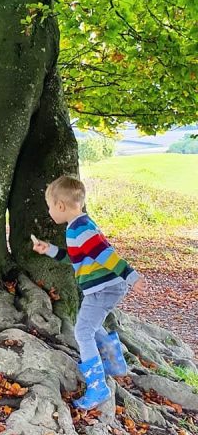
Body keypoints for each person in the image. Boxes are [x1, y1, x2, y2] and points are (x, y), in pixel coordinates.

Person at [31, 175, 146, 411]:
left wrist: (131, 275)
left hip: (104, 289)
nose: (50, 211)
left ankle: (97, 386)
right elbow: (77, 258)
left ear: (60, 206)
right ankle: (113, 362)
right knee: (90, 326)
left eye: (50, 207)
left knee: (82, 332)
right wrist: (50, 250)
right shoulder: (80, 226)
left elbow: (106, 255)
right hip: (105, 288)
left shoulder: (80, 230)